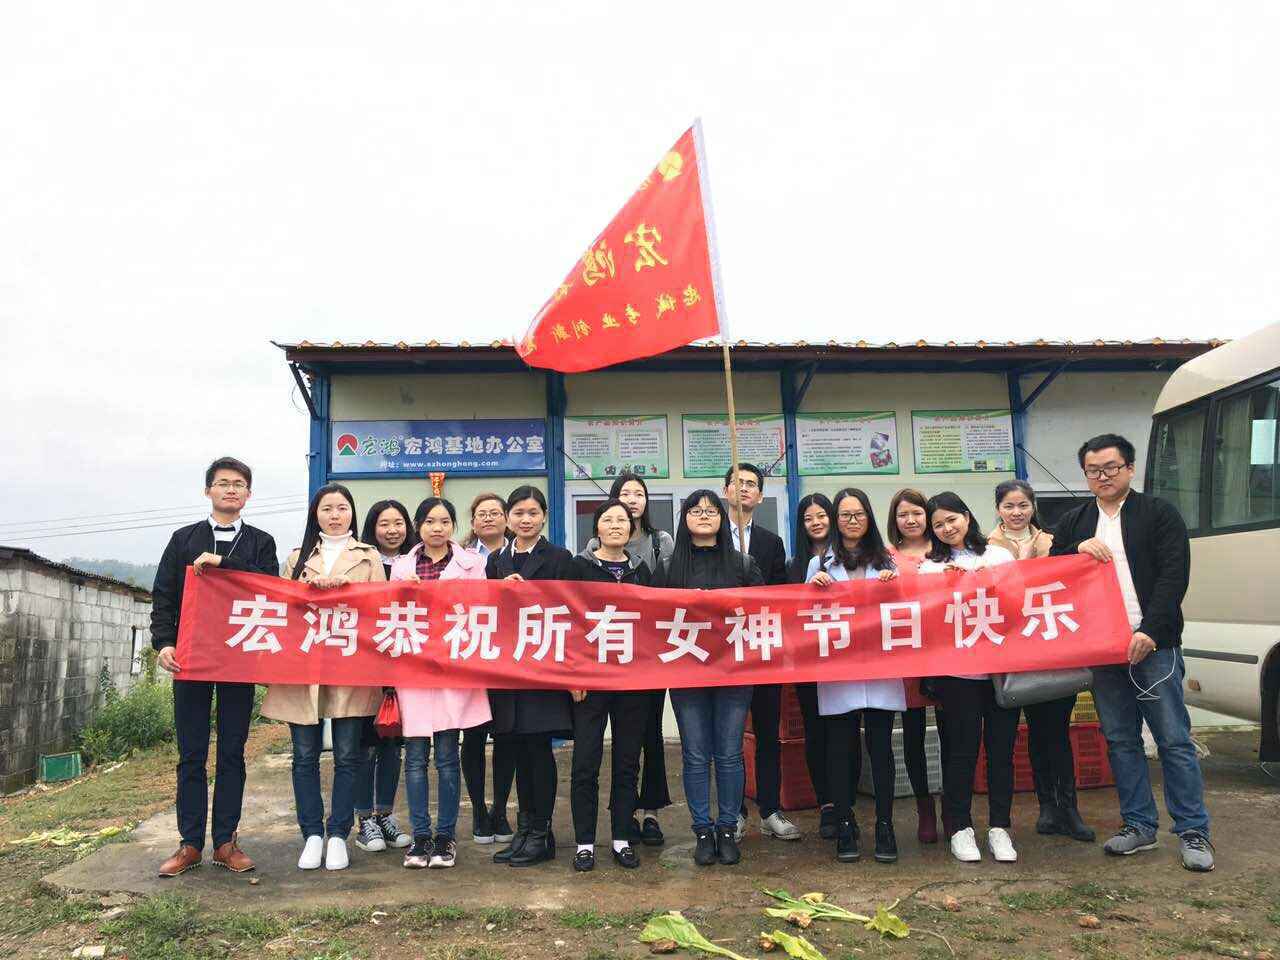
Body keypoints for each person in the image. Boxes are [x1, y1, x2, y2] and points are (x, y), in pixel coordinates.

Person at [1051, 433, 1211, 872]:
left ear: (1130, 468)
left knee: (1173, 740)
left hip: (1153, 645)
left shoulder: (1158, 513)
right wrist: (1076, 548)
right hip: (1104, 647)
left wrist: (1151, 631)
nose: (1102, 476)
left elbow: (1174, 576)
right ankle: (1139, 825)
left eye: (1111, 468)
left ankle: (1193, 830)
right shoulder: (1076, 521)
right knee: (1120, 740)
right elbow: (1053, 566)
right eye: (1093, 470)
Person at [152, 457, 279, 877]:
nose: (231, 490)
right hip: (191, 658)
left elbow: (270, 586)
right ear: (208, 490)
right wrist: (164, 643)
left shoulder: (261, 542)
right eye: (223, 483)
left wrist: (226, 565)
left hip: (238, 658)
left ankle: (226, 841)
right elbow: (164, 595)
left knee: (231, 752)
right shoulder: (183, 539)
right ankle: (190, 844)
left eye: (239, 484)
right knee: (191, 753)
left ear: (248, 494)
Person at [261, 483, 385, 872]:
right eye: (327, 508)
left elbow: (382, 607)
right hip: (305, 666)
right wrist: (307, 590)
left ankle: (338, 834)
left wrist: (347, 590)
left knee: (348, 755)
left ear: (352, 513)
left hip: (351, 664)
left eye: (342, 508)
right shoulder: (297, 558)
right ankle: (312, 833)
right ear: (315, 514)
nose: (334, 515)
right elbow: (281, 608)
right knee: (304, 755)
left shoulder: (368, 556)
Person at [658, 489, 764, 866]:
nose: (704, 515)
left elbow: (765, 611)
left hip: (733, 672)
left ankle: (728, 828)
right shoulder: (668, 567)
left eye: (711, 510)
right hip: (687, 674)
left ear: (722, 517)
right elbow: (650, 616)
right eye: (695, 510)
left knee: (730, 754)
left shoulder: (743, 564)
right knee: (695, 754)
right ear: (684, 518)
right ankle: (703, 830)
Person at [389, 497, 493, 869]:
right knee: (415, 757)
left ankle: (445, 837)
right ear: (418, 526)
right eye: (430, 521)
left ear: (453, 526)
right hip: (414, 669)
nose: (438, 527)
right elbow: (390, 615)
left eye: (445, 521)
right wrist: (404, 592)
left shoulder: (472, 563)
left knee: (448, 757)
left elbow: (481, 609)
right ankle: (420, 837)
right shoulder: (401, 567)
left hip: (452, 668)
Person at [989, 479, 1094, 843]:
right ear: (998, 510)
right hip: (1013, 653)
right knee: (1034, 732)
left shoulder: (1054, 542)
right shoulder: (987, 548)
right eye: (1009, 506)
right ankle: (1047, 807)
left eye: (1023, 505)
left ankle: (1070, 808)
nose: (1016, 512)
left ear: (1033, 507)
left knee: (1057, 732)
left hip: (1053, 648)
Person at [919, 491, 1019, 864]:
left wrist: (988, 582)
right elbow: (926, 615)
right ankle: (960, 827)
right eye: (938, 524)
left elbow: (1019, 601)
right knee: (961, 752)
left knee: (1001, 751)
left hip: (1001, 670)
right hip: (957, 673)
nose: (947, 528)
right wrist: (947, 587)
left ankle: (1000, 827)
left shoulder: (998, 556)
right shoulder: (930, 567)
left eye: (952, 519)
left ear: (967, 516)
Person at [807, 488, 903, 863]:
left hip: (880, 666)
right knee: (840, 750)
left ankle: (885, 825)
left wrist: (894, 587)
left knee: (881, 748)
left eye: (858, 514)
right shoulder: (820, 563)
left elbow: (908, 608)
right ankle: (845, 824)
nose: (852, 521)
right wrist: (813, 589)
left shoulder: (888, 560)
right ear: (836, 519)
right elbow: (803, 614)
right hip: (839, 669)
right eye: (845, 515)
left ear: (869, 518)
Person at [485, 486, 574, 867]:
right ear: (508, 517)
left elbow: (570, 608)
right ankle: (523, 832)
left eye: (533, 513)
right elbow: (486, 610)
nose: (525, 519)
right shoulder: (495, 560)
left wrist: (530, 594)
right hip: (508, 669)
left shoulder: (559, 558)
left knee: (539, 750)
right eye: (519, 512)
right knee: (517, 749)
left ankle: (542, 832)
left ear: (544, 517)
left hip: (542, 667)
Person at [585, 472, 675, 846]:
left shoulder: (660, 541)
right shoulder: (594, 547)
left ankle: (649, 811)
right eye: (625, 494)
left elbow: (668, 592)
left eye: (639, 493)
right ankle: (624, 815)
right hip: (606, 657)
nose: (633, 499)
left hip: (646, 655)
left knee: (649, 735)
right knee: (619, 746)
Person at [566, 499, 653, 871]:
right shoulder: (578, 567)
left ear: (631, 529)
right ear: (597, 528)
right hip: (589, 681)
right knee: (585, 763)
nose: (616, 525)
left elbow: (653, 622)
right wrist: (572, 674)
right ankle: (585, 843)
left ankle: (621, 838)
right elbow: (568, 622)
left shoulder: (642, 570)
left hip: (632, 680)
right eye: (608, 519)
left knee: (627, 762)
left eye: (623, 520)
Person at [722, 463, 799, 843]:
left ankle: (769, 809)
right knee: (730, 738)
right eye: (737, 483)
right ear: (725, 491)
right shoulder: (711, 537)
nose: (744, 488)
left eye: (751, 484)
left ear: (761, 496)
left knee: (768, 733)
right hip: (724, 655)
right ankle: (733, 812)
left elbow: (779, 594)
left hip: (763, 649)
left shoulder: (771, 543)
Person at [350, 499, 416, 855]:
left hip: (405, 665)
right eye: (384, 524)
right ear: (372, 528)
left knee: (392, 744)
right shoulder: (363, 562)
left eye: (398, 523)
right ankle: (364, 821)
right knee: (365, 746)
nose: (392, 530)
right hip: (366, 664)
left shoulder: (415, 563)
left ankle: (385, 815)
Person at [788, 493, 851, 841]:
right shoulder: (794, 564)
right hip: (809, 662)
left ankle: (846, 801)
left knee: (844, 732)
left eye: (822, 515)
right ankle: (826, 802)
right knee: (816, 731)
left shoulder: (851, 557)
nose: (816, 522)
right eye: (808, 518)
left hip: (845, 660)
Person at [458, 492, 516, 846]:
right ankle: (479, 810)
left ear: (506, 519)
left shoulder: (518, 554)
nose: (489, 518)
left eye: (496, 512)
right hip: (472, 654)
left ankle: (500, 810)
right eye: (482, 513)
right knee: (474, 735)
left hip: (509, 656)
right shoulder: (462, 557)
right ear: (473, 521)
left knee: (506, 735)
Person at [886, 487, 943, 844]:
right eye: (903, 514)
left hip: (945, 653)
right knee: (913, 736)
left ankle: (952, 804)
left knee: (952, 734)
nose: (911, 520)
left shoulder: (946, 549)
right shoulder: (886, 557)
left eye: (917, 513)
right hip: (907, 655)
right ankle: (925, 807)